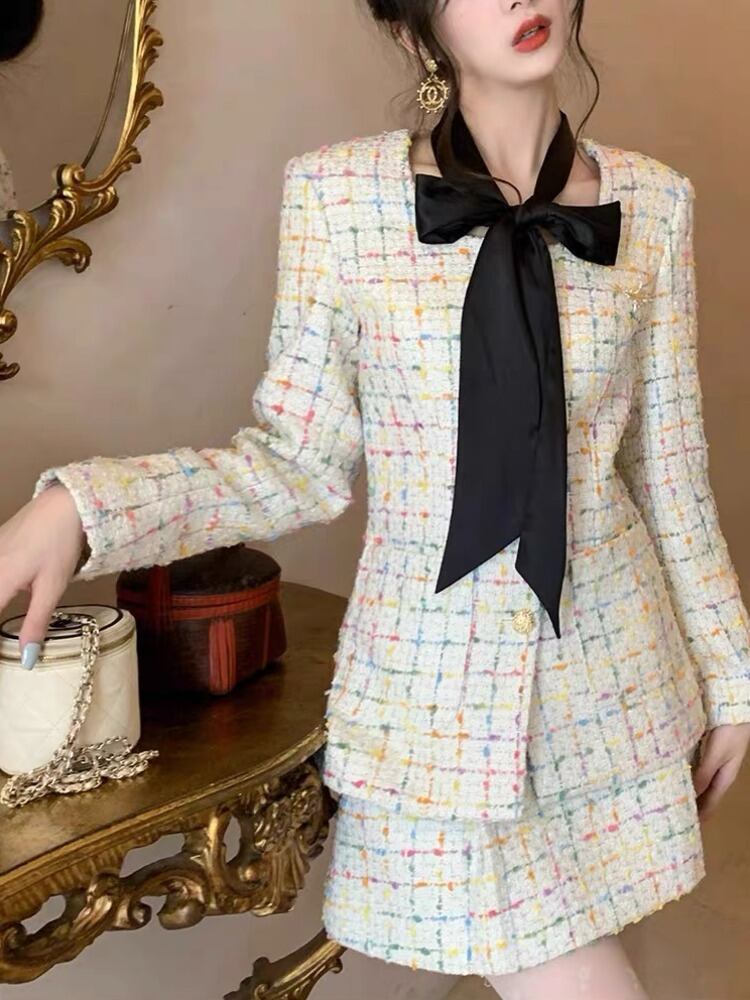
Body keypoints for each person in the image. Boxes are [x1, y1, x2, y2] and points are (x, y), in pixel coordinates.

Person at [1, 1, 749, 997]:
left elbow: (669, 470)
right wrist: (84, 509)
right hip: (432, 712)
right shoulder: (340, 198)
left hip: (615, 690)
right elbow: (292, 462)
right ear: (412, 32)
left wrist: (732, 675)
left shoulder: (654, 204)